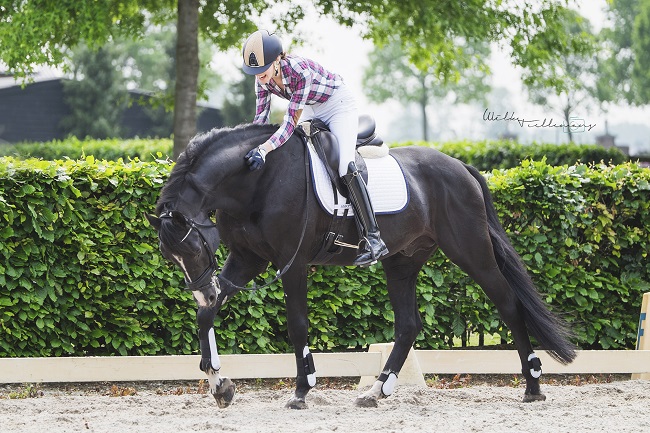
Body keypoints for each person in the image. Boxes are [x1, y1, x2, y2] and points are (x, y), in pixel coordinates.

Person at [241, 29, 388, 266]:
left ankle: (374, 238)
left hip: (337, 104)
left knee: (344, 164)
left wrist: (264, 149)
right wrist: (249, 146)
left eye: (262, 70)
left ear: (278, 59)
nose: (259, 76)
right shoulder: (262, 80)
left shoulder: (299, 70)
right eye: (255, 72)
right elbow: (260, 119)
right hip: (311, 106)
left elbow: (289, 123)